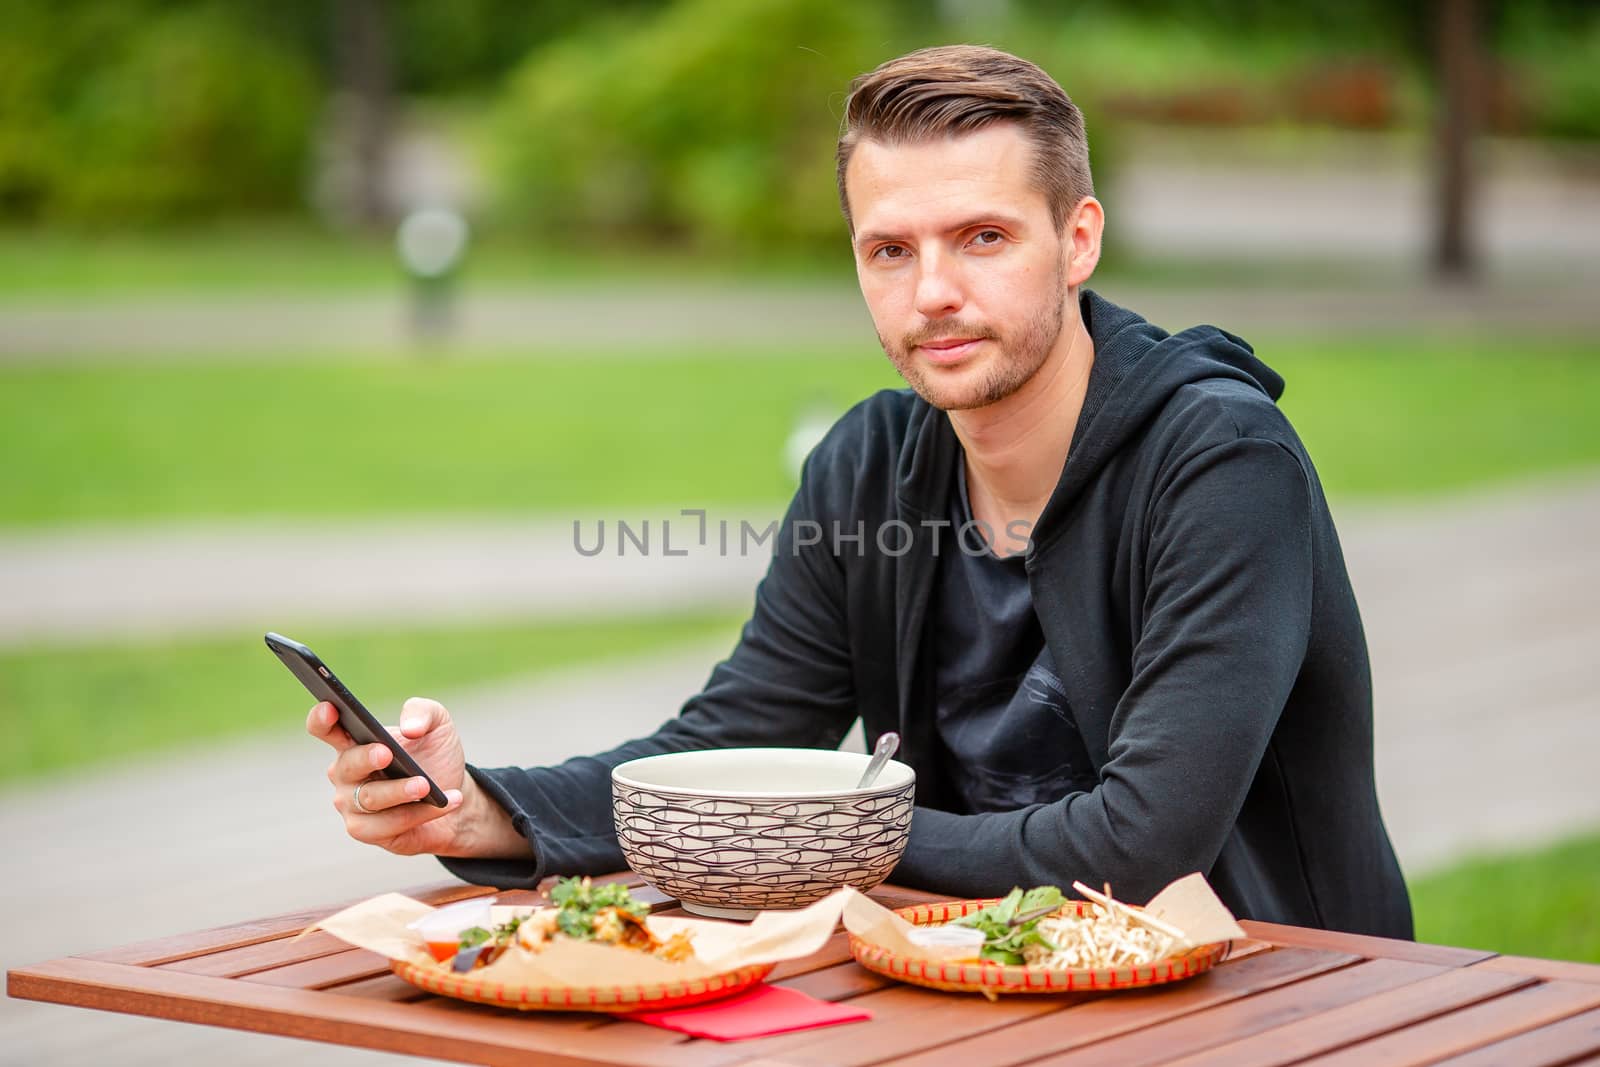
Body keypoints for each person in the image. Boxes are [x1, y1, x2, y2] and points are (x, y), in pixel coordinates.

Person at [308, 45, 1412, 938]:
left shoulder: (1219, 460)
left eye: (982, 238)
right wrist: (479, 804)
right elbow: (731, 739)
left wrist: (809, 827)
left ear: (1077, 242)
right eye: (889, 250)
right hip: (979, 976)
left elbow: (1139, 840)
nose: (933, 291)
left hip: (1278, 999)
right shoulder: (872, 463)